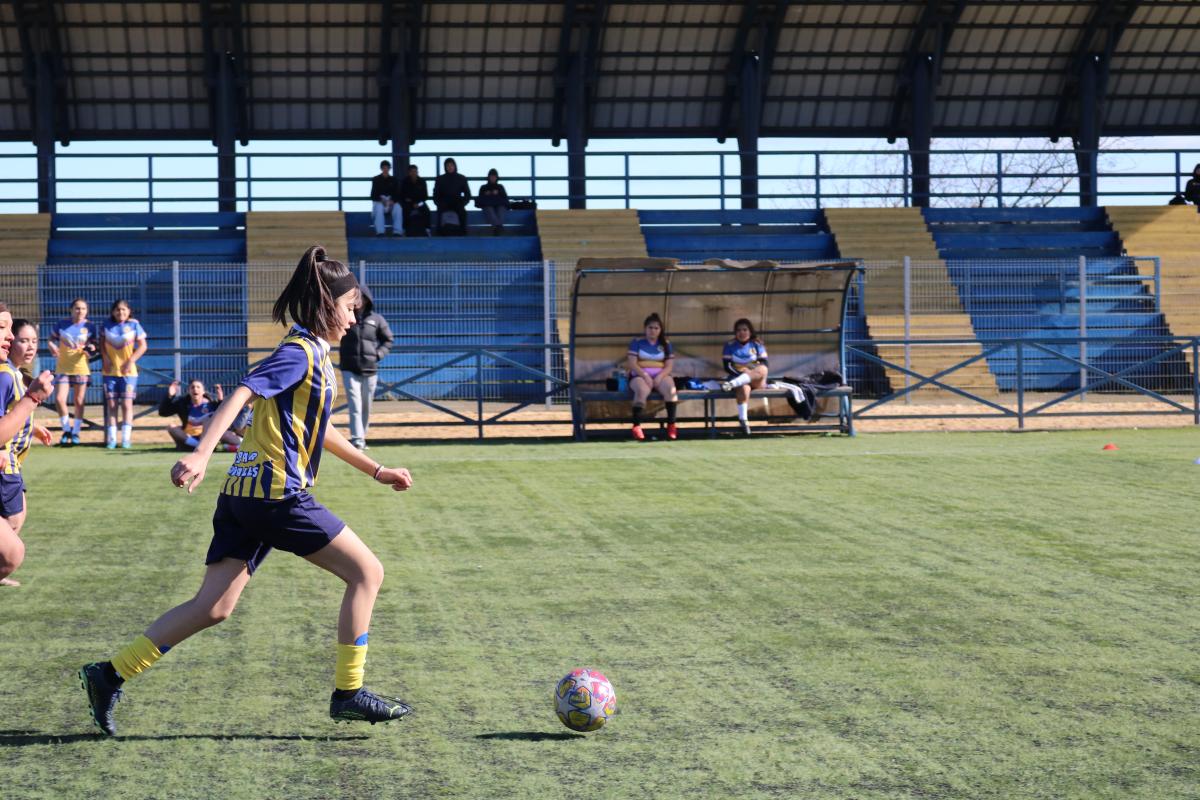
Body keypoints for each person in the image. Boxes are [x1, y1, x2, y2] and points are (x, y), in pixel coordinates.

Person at [80, 244, 415, 736]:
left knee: (213, 606)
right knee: (367, 573)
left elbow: (318, 427)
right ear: (327, 305)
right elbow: (243, 392)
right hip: (275, 494)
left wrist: (376, 469)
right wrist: (200, 453)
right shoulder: (300, 352)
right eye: (349, 308)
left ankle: (108, 675)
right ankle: (348, 693)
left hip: (244, 495)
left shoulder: (314, 355)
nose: (353, 319)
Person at [0, 306, 55, 589]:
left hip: (12, 461)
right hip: (6, 462)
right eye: (4, 329)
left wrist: (33, 427)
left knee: (17, 519)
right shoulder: (5, 375)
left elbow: (9, 414)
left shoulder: (15, 375)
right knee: (12, 536)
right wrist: (33, 399)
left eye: (34, 340)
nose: (11, 337)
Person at [339, 285, 393, 450]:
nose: (358, 301)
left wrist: (378, 354)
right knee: (354, 405)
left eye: (361, 298)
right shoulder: (347, 318)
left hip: (370, 370)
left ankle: (362, 436)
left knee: (366, 406)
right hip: (349, 368)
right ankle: (357, 440)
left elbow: (388, 340)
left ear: (367, 300)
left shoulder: (377, 319)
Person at [99, 299, 148, 450]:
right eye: (118, 309)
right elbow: (101, 343)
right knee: (112, 405)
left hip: (129, 373)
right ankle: (112, 439)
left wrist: (131, 360)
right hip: (110, 372)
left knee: (127, 405)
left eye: (124, 309)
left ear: (129, 311)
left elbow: (143, 346)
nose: (120, 312)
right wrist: (105, 358)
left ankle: (126, 439)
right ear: (113, 311)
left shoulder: (134, 325)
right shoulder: (106, 325)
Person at [48, 297, 96, 445]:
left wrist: (91, 349)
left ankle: (75, 432)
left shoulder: (90, 326)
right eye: (77, 308)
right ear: (71, 310)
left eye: (83, 308)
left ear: (87, 311)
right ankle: (66, 430)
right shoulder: (62, 324)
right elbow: (51, 339)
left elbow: (95, 345)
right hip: (63, 368)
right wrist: (52, 346)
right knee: (59, 399)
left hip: (81, 367)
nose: (80, 311)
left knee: (79, 401)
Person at [626, 313, 678, 442]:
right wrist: (645, 376)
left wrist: (659, 377)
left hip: (661, 374)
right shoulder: (637, 342)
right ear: (645, 328)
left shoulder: (666, 343)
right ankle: (637, 426)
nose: (653, 331)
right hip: (639, 374)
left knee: (671, 391)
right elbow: (632, 363)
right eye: (650, 327)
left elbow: (669, 366)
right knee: (642, 391)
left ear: (660, 330)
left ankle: (671, 425)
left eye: (656, 328)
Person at [158, 379, 238, 452]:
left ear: (203, 391)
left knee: (214, 425)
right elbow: (163, 412)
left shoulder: (212, 403)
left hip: (207, 436)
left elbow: (226, 416)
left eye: (198, 387)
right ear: (189, 391)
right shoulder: (182, 403)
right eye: (192, 387)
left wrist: (221, 401)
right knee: (171, 427)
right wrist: (169, 396)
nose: (195, 389)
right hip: (189, 437)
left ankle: (229, 446)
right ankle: (198, 445)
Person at [720, 318, 769, 436]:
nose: (741, 333)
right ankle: (743, 421)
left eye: (745, 330)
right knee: (744, 388)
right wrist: (742, 374)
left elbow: (764, 362)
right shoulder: (729, 345)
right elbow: (727, 366)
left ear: (750, 331)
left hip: (756, 379)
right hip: (738, 377)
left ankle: (732, 384)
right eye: (738, 330)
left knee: (763, 369)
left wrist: (749, 369)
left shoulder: (757, 344)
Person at [433, 157, 471, 236]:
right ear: (445, 167)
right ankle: (439, 233)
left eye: (451, 165)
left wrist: (463, 203)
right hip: (444, 202)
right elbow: (436, 194)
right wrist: (438, 203)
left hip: (457, 202)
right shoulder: (440, 179)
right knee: (440, 211)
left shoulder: (461, 178)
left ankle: (463, 233)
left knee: (462, 212)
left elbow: (467, 194)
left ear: (455, 166)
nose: (450, 167)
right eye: (448, 165)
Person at [370, 160, 401, 236]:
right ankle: (380, 232)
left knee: (398, 208)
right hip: (379, 201)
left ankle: (397, 232)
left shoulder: (394, 179)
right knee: (379, 208)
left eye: (387, 167)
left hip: (391, 202)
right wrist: (382, 200)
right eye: (384, 168)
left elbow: (397, 194)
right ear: (381, 168)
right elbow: (373, 195)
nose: (385, 169)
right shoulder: (376, 179)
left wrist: (392, 201)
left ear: (390, 168)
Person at [399, 164, 431, 236]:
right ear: (409, 173)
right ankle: (404, 229)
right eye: (412, 171)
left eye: (415, 171)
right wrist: (409, 201)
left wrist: (418, 203)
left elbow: (425, 196)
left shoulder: (422, 181)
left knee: (427, 210)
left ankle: (427, 229)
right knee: (405, 210)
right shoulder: (404, 182)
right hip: (408, 203)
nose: (414, 173)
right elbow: (402, 195)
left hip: (420, 203)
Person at [476, 168, 509, 236]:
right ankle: (498, 228)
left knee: (501, 209)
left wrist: (498, 192)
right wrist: (486, 194)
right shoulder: (483, 187)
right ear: (488, 177)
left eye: (494, 176)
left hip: (499, 205)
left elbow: (505, 198)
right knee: (489, 209)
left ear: (497, 178)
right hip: (488, 205)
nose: (493, 178)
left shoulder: (500, 187)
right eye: (491, 176)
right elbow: (480, 199)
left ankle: (497, 229)